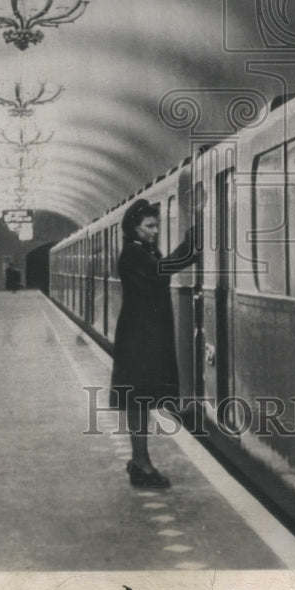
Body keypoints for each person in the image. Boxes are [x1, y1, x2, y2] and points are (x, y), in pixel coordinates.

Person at [110, 198, 199, 490]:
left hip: (143, 335)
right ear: (134, 228)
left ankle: (139, 461)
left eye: (156, 224)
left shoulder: (142, 250)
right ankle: (142, 465)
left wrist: (189, 246)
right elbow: (163, 270)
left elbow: (161, 266)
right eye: (149, 225)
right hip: (139, 338)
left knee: (141, 400)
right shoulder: (134, 255)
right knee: (138, 400)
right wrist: (192, 244)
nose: (155, 230)